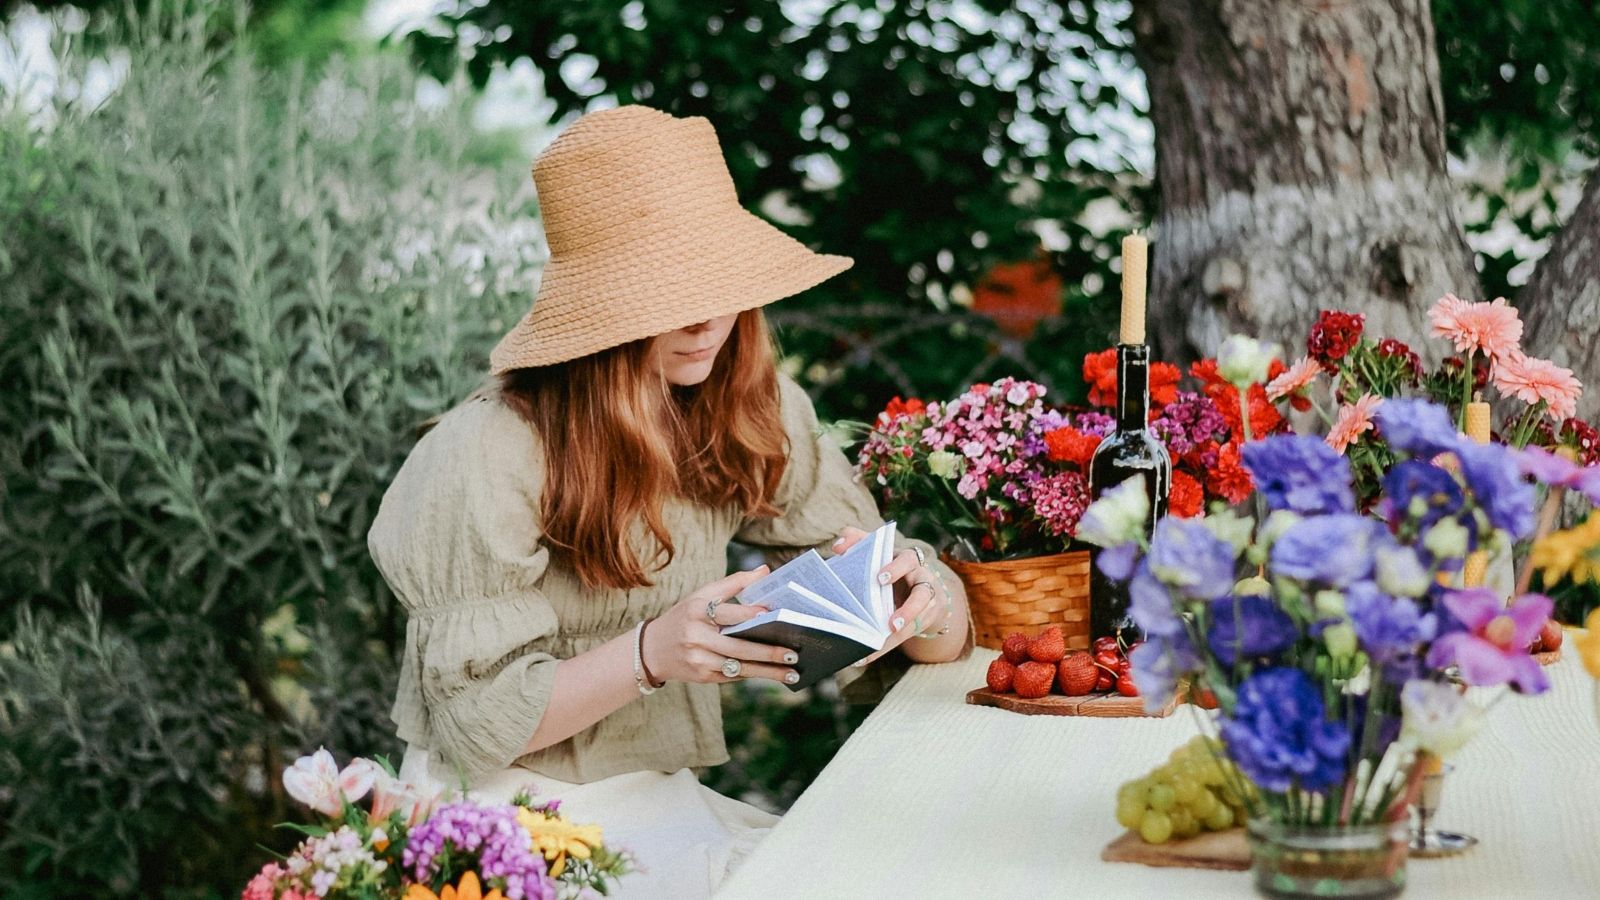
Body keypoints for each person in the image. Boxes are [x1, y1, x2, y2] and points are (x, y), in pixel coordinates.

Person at [367, 105, 973, 898]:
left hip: (656, 802)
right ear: (601, 309)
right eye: (668, 290)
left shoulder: (747, 408)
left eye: (719, 281)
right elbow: (477, 724)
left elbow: (937, 639)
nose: (705, 318)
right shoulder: (486, 449)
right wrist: (653, 652)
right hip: (507, 821)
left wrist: (915, 597)